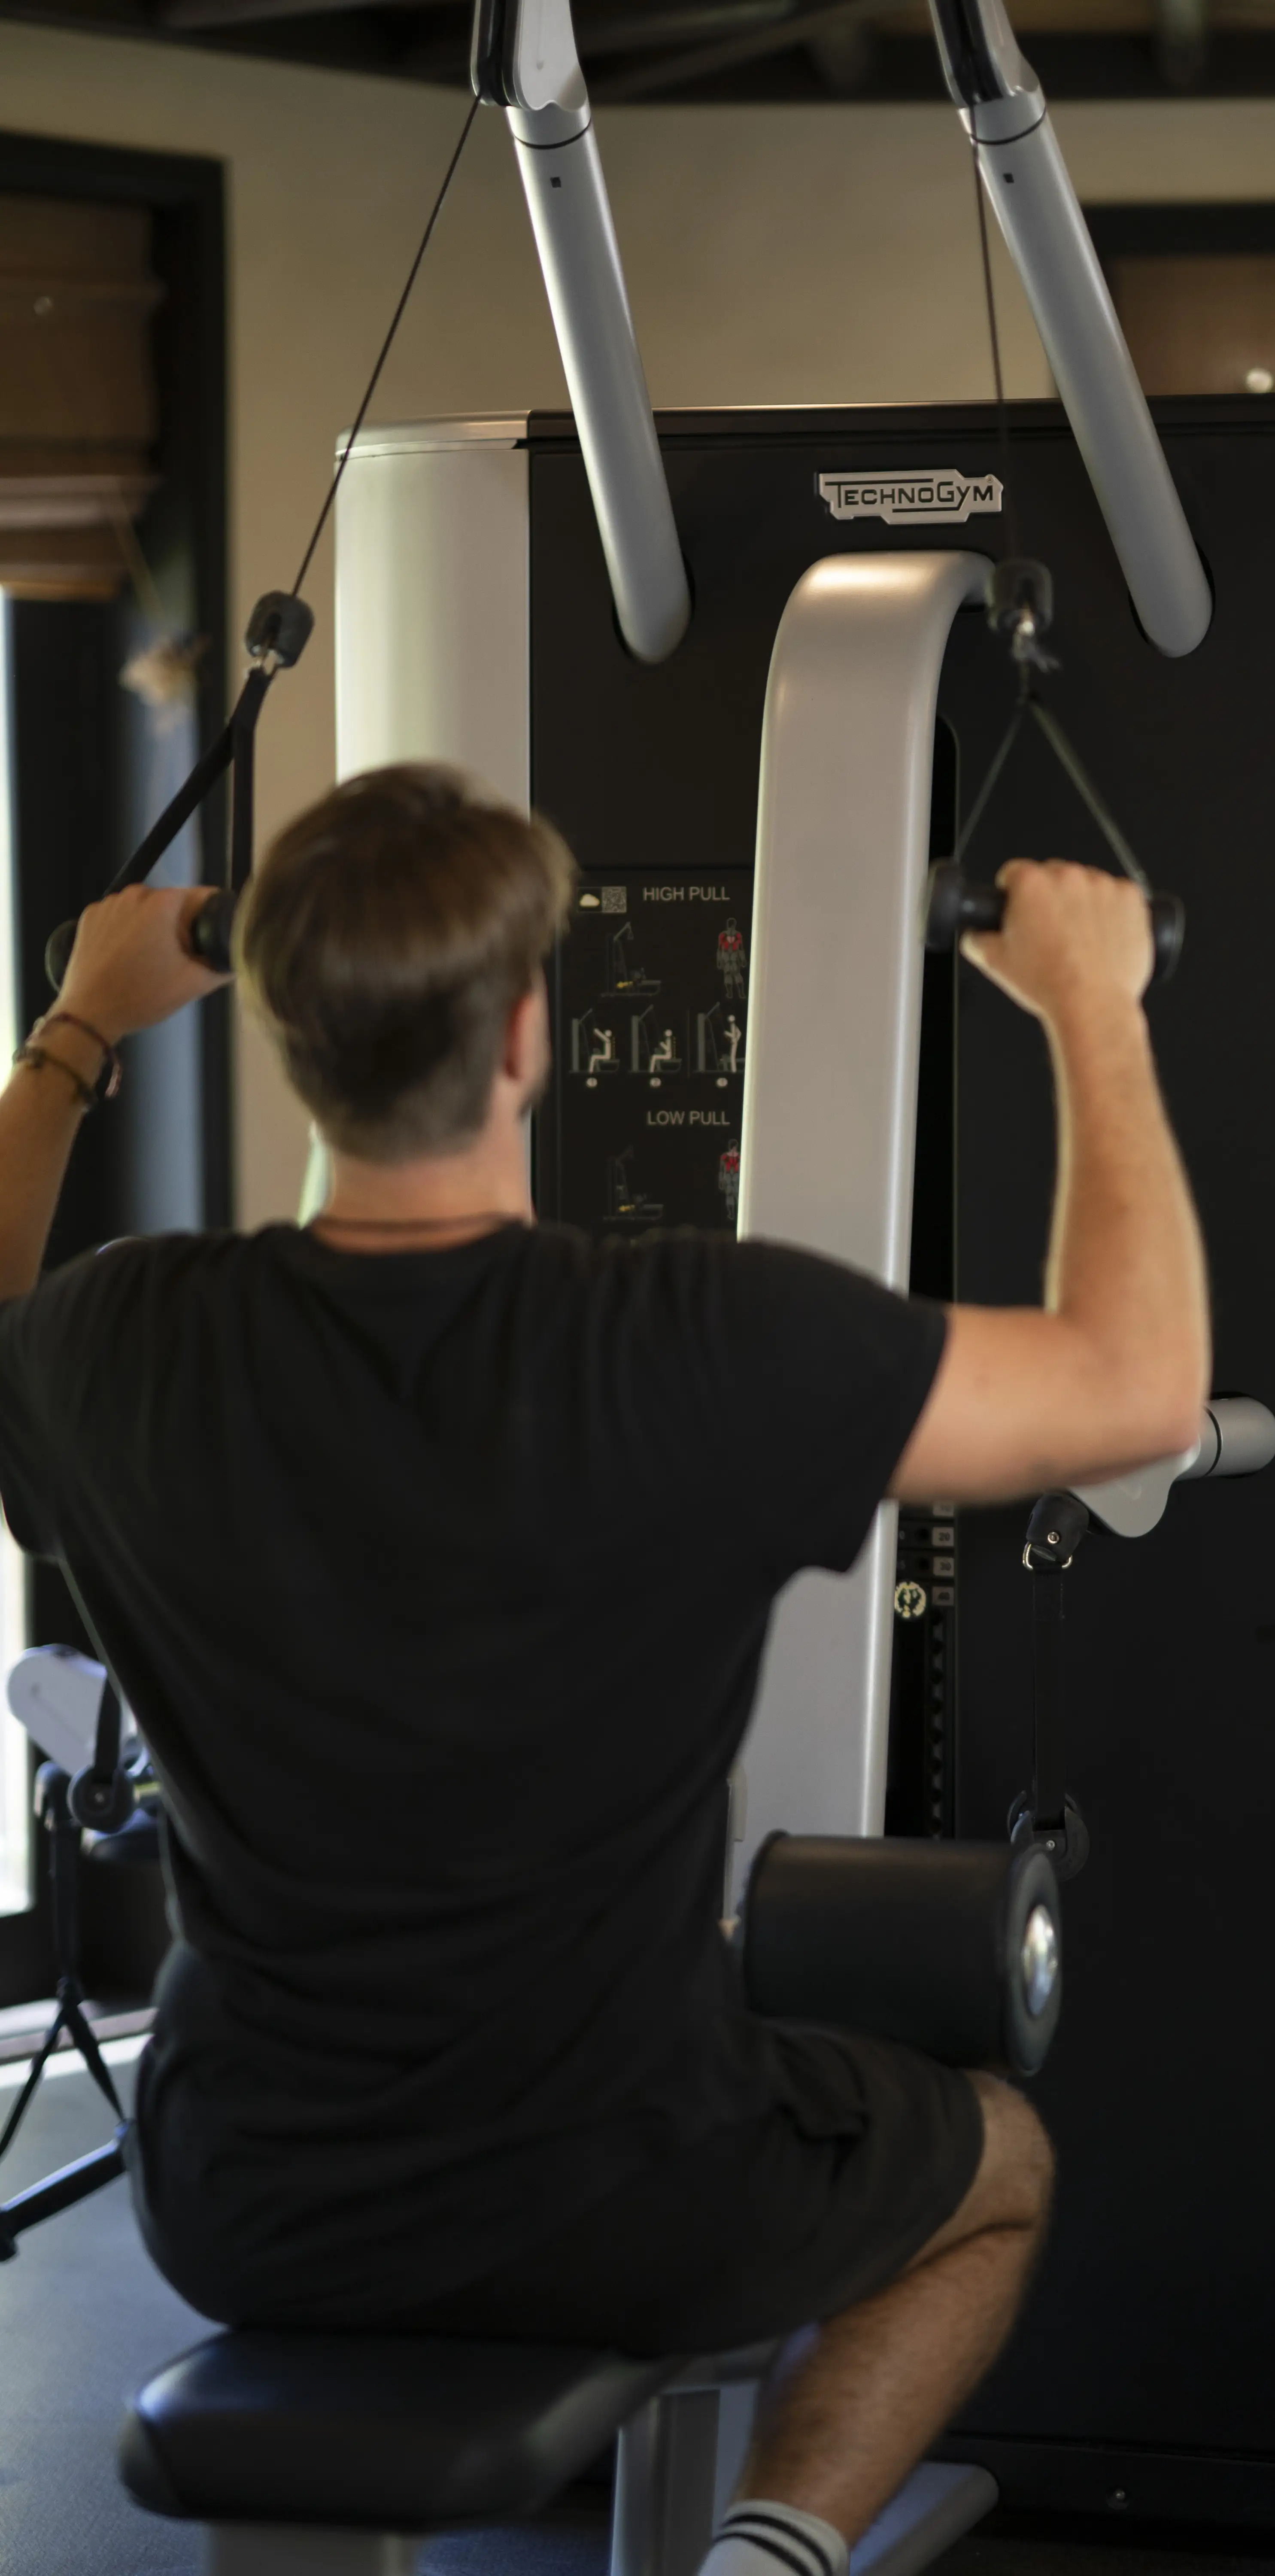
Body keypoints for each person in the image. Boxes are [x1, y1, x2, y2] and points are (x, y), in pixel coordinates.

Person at [0, 765, 1208, 2576]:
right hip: (622, 2201)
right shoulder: (695, 1338)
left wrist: (81, 1024)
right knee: (1001, 2161)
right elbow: (1135, 1385)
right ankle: (772, 2553)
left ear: (289, 1042)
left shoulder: (125, 1342)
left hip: (241, 2197)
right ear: (526, 1035)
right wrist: (1091, 1008)